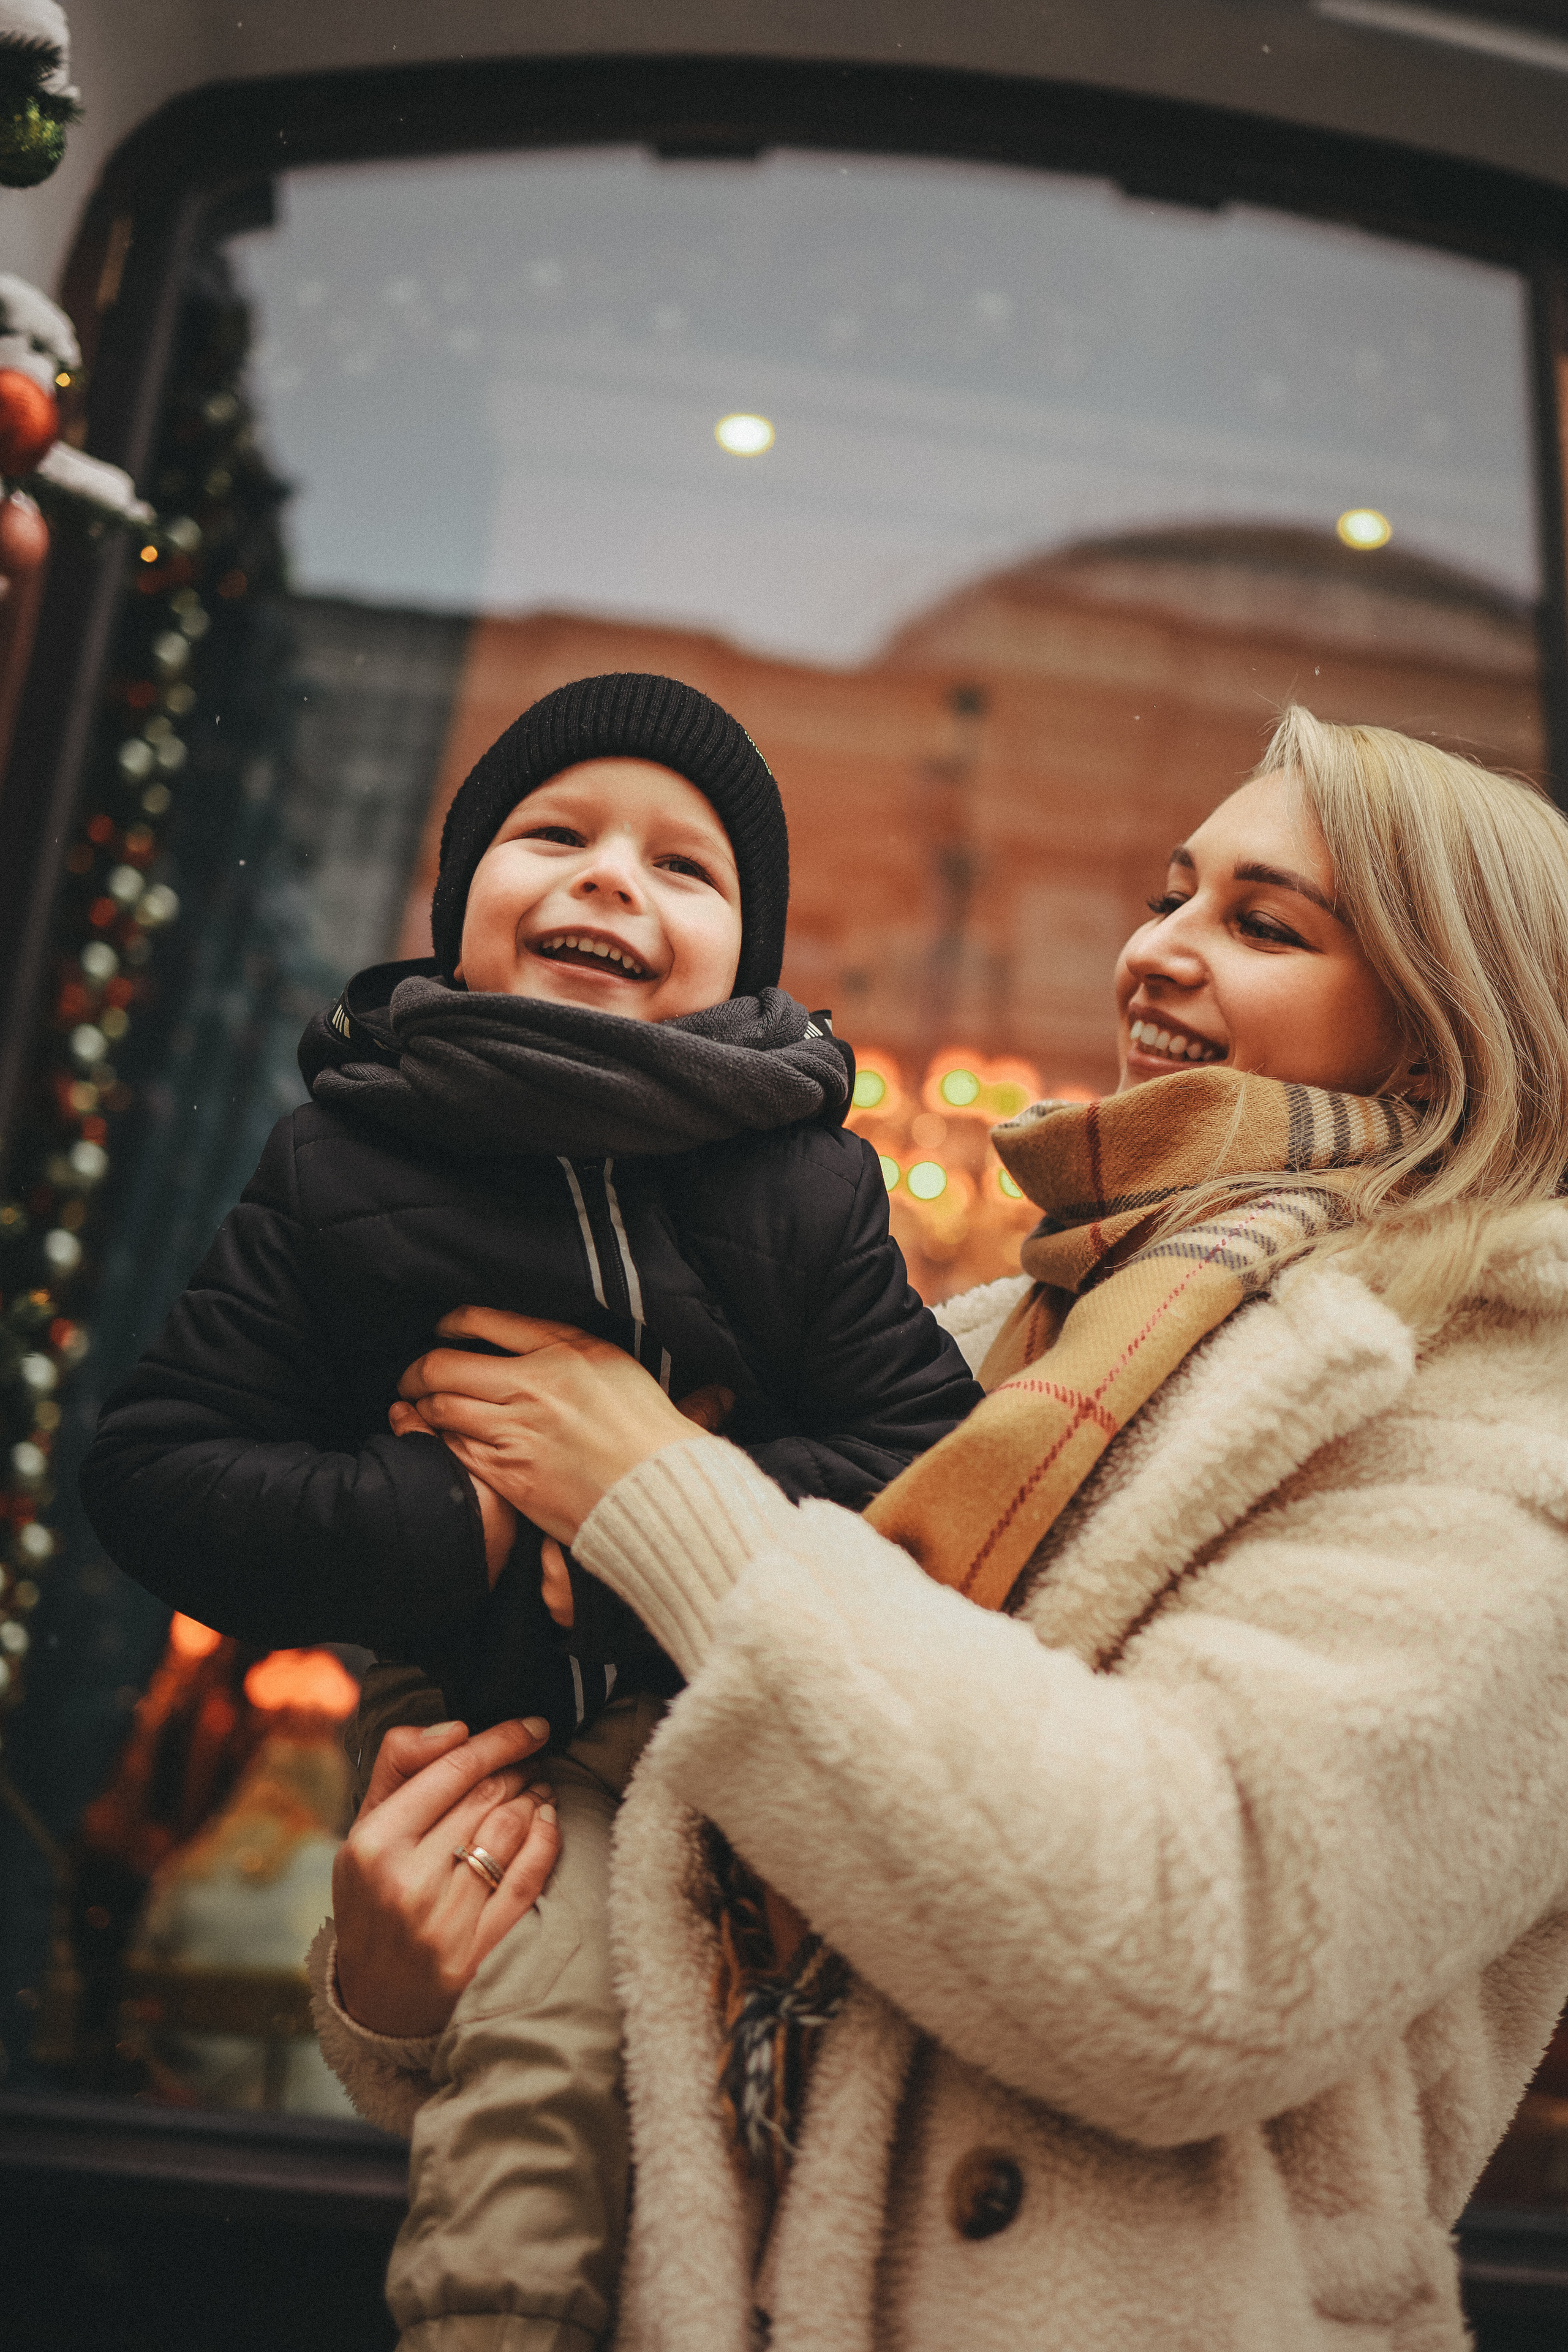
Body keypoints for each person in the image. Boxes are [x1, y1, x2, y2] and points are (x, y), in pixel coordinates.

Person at [318, 707, 1568, 2351]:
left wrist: (661, 1493)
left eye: (1263, 925)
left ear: (1436, 1036)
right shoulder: (995, 1351)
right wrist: (410, 1986)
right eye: (1170, 896)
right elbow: (726, 1901)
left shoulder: (1503, 1422)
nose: (1157, 951)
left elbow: (1198, 1961)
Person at [79, 671, 982, 2352]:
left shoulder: (800, 1177)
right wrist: (450, 1516)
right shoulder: (345, 1157)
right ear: (462, 903)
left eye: (682, 865)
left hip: (756, 1723)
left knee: (825, 2118)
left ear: (746, 956)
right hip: (493, 1748)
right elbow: (157, 1472)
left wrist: (642, 1516)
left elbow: (935, 1466)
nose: (610, 877)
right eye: (554, 836)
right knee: (531, 2092)